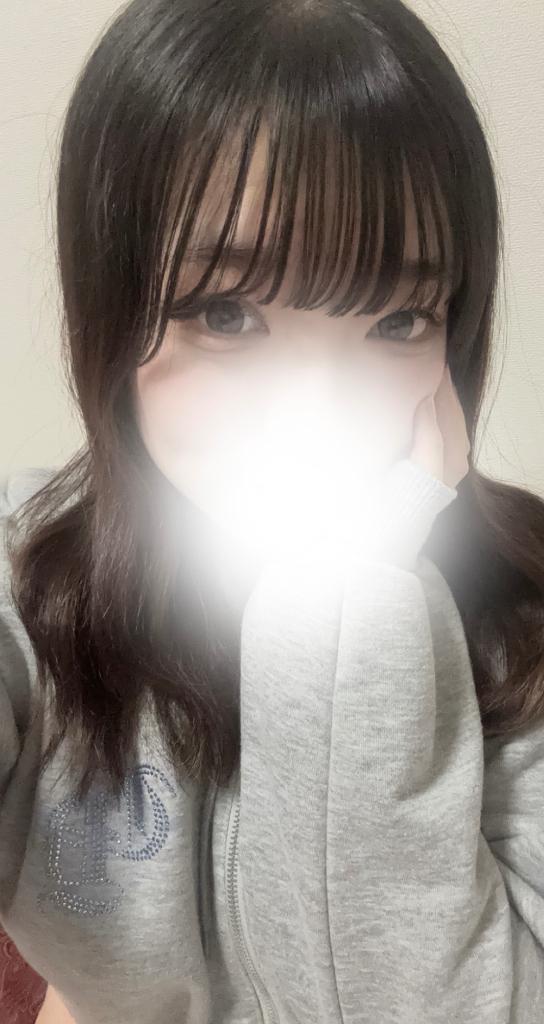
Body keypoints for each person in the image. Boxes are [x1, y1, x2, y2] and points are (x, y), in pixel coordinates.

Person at [1, 0, 544, 1021]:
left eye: (397, 319)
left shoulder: (527, 617)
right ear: (109, 308)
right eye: (227, 312)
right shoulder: (24, 583)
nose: (320, 408)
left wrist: (355, 603)